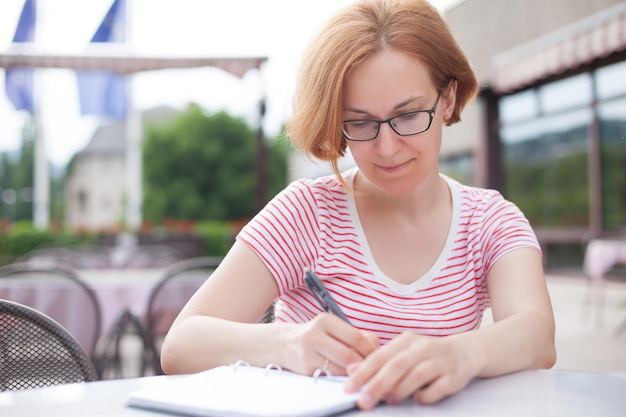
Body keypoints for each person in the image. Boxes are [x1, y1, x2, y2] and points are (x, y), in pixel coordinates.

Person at [160, 0, 556, 409]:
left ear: (449, 99)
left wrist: (460, 353)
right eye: (361, 123)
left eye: (408, 115)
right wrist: (287, 342)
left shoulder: (490, 221)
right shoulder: (307, 213)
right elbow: (180, 345)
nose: (386, 148)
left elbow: (537, 335)